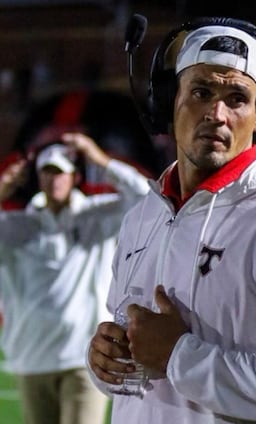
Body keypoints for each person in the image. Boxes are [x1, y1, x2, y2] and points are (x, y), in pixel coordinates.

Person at [86, 19, 256, 424]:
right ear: (170, 100)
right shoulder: (142, 217)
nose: (217, 112)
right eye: (201, 92)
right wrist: (105, 360)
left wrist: (179, 355)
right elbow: (132, 346)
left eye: (237, 98)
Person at [0, 133, 150, 424]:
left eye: (61, 173)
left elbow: (147, 198)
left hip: (84, 357)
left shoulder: (98, 216)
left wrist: (101, 159)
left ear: (75, 177)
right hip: (31, 358)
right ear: (39, 178)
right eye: (48, 172)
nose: (54, 180)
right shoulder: (16, 226)